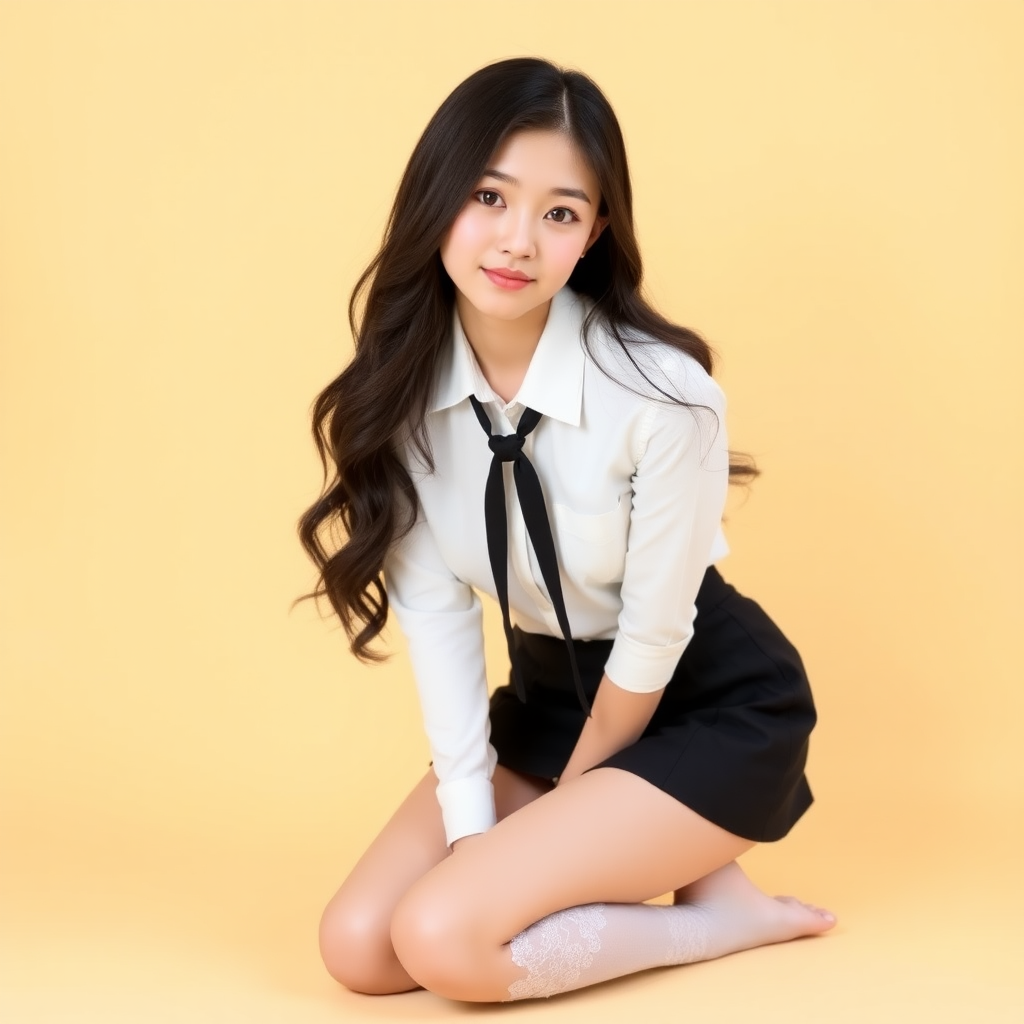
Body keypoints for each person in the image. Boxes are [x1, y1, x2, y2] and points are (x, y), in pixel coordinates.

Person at [298, 57, 835, 1003]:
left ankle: (714, 921)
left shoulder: (665, 399)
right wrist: (475, 835)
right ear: (437, 202)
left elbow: (656, 635)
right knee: (361, 948)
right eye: (489, 197)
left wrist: (556, 820)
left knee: (444, 937)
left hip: (703, 703)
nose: (517, 241)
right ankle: (693, 892)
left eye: (559, 212)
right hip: (548, 700)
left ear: (593, 235)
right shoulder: (409, 399)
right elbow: (439, 621)